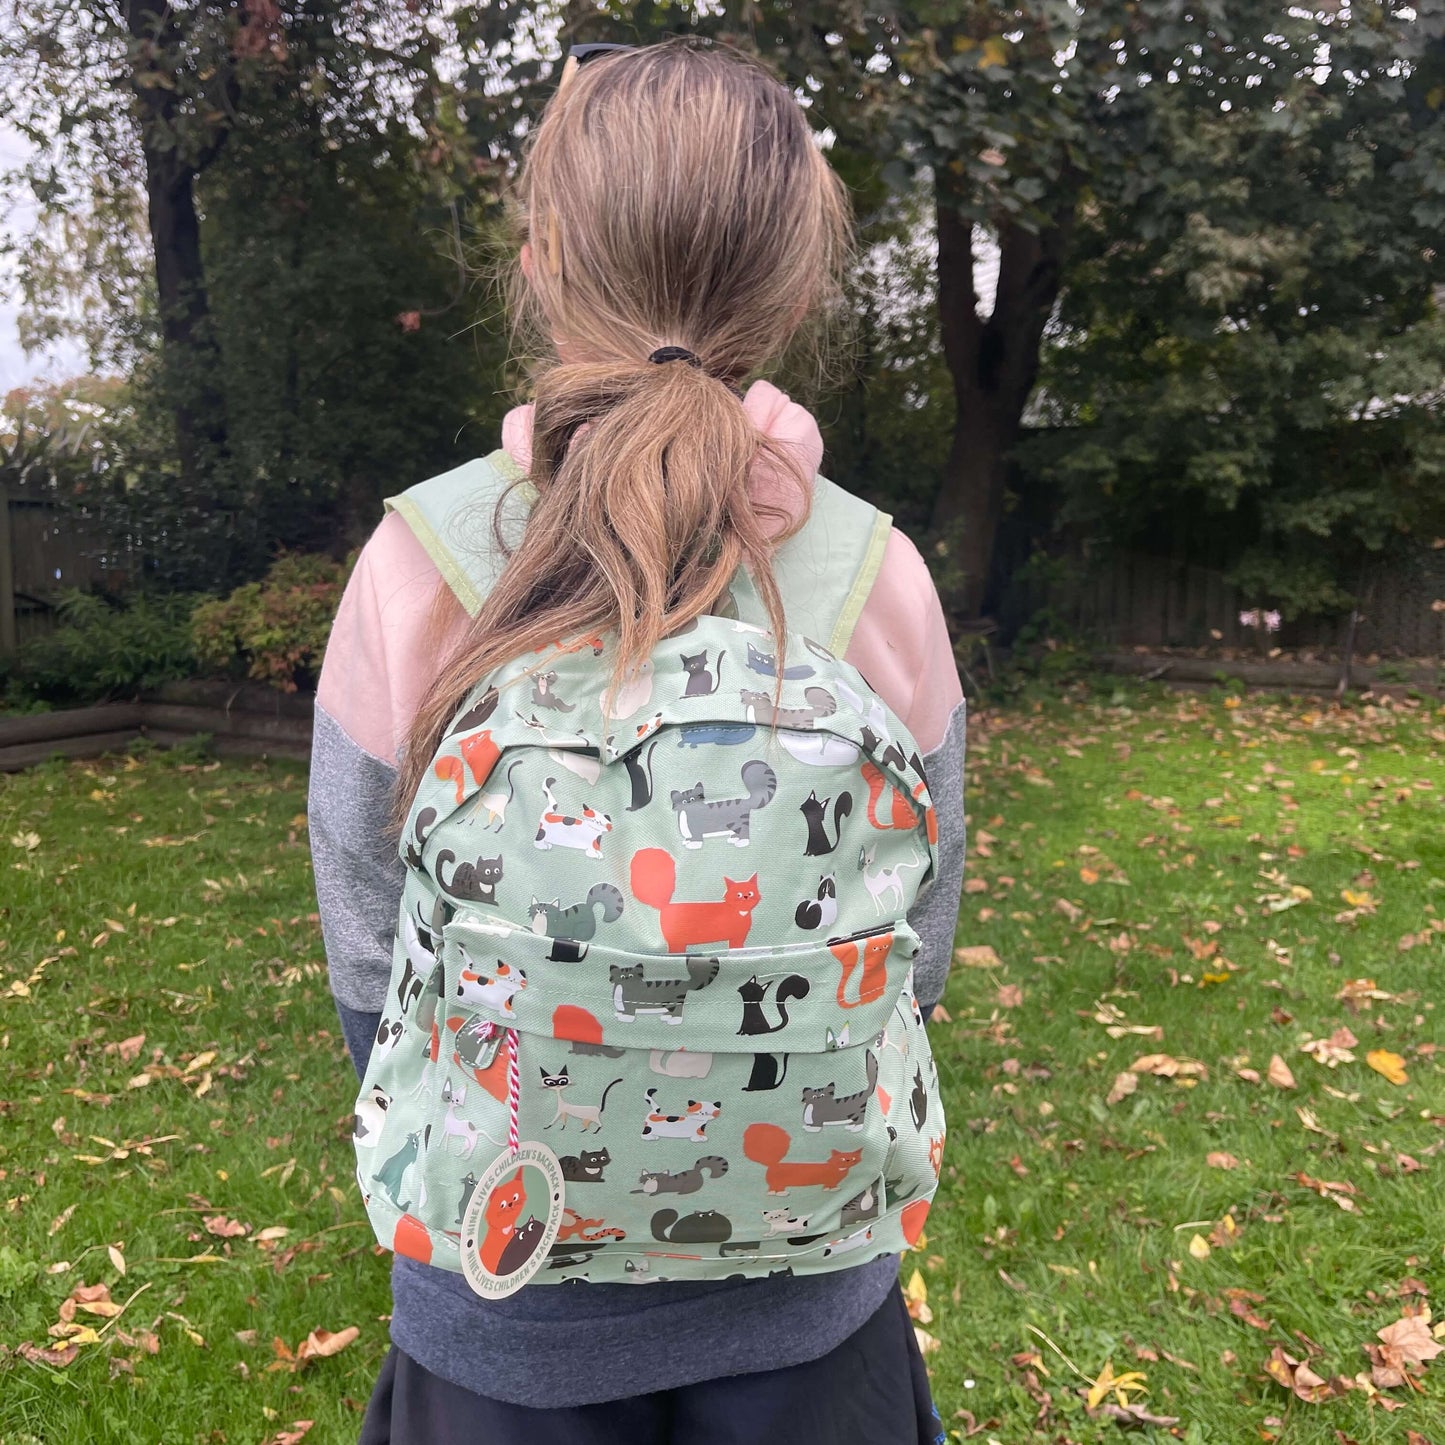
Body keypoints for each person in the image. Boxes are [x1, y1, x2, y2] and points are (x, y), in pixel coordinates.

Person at [309, 35, 966, 1444]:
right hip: (812, 1289)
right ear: (790, 287)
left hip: (501, 1286)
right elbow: (916, 941)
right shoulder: (870, 572)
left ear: (541, 261)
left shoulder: (422, 558)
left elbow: (371, 952)